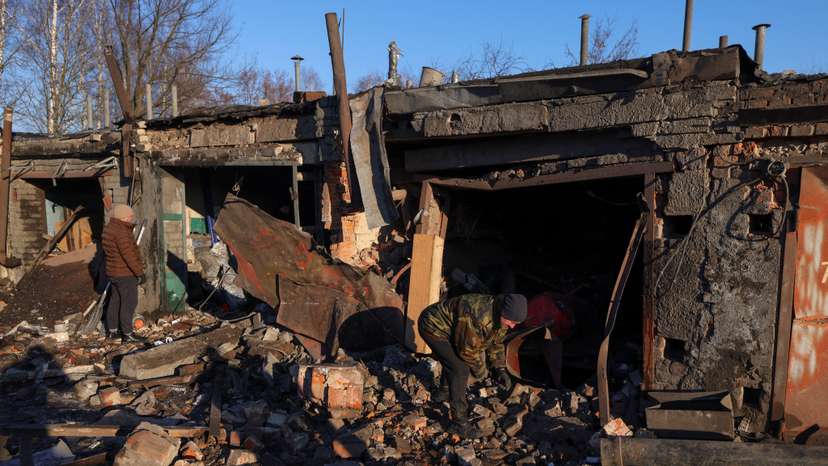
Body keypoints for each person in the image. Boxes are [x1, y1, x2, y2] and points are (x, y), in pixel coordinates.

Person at [418, 293, 527, 437]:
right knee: (460, 368)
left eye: (515, 324)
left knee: (453, 361)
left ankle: (443, 393)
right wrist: (481, 372)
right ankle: (460, 423)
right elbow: (467, 352)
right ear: (502, 311)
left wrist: (499, 368)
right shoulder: (477, 316)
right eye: (510, 321)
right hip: (432, 325)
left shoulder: (502, 315)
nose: (512, 326)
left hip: (453, 329)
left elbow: (496, 342)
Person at [101, 204, 144, 341]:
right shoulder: (122, 232)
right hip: (125, 274)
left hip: (113, 272)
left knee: (115, 301)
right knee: (129, 303)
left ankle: (112, 332)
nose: (132, 218)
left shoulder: (109, 228)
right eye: (131, 216)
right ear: (124, 217)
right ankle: (127, 334)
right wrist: (139, 273)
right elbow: (128, 255)